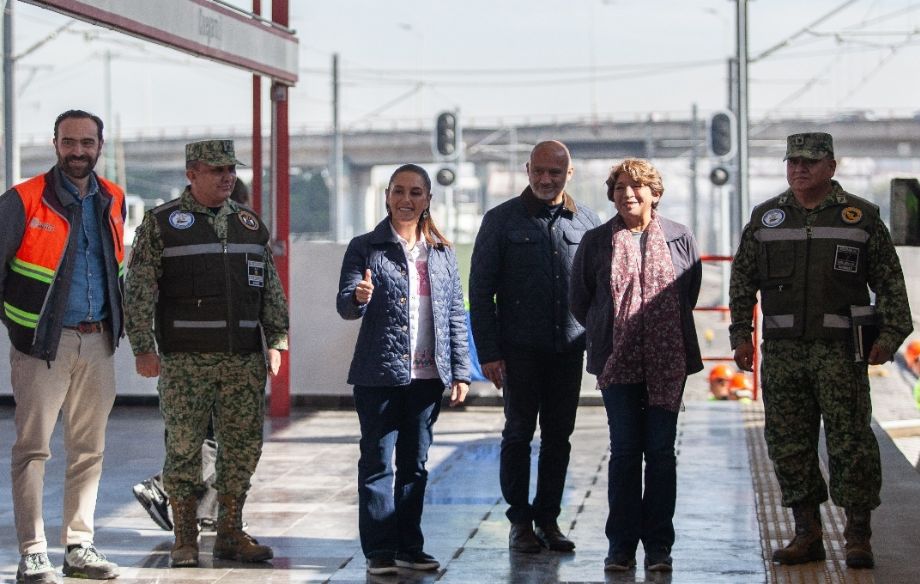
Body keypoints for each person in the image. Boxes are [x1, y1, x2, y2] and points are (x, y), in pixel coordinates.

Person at [729, 132, 913, 569]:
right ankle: (806, 532)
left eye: (809, 162)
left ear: (831, 166)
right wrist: (740, 335)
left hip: (841, 355)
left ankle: (857, 536)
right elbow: (742, 283)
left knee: (851, 443)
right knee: (789, 444)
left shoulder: (861, 218)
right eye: (792, 161)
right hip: (784, 356)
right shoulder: (766, 218)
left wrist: (888, 339)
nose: (799, 169)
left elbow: (890, 287)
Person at [125, 139, 290, 568]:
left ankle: (231, 533)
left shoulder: (251, 225)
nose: (227, 177)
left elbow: (269, 288)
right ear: (191, 174)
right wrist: (143, 348)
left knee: (242, 448)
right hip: (185, 361)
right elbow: (139, 290)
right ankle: (184, 539)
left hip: (242, 361)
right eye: (216, 170)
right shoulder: (161, 223)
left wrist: (276, 339)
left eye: (230, 169)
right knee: (184, 449)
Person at [0, 110, 123, 584]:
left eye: (87, 143)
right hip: (42, 347)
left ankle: (79, 546)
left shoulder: (112, 197)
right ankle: (33, 552)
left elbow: (114, 265)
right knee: (33, 451)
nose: (78, 151)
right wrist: (19, 328)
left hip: (98, 342)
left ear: (100, 145)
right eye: (69, 142)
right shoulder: (22, 200)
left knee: (89, 449)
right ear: (55, 143)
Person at [336, 164, 471, 575]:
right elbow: (344, 305)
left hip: (428, 378)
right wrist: (359, 296)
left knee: (415, 464)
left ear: (428, 199)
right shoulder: (366, 247)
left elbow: (453, 314)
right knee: (378, 461)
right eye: (398, 191)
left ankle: (409, 547)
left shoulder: (442, 253)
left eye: (415, 192)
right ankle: (379, 551)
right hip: (379, 375)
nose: (406, 200)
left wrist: (461, 371)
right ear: (387, 197)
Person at [570, 158, 702, 572]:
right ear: (612, 195)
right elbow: (582, 300)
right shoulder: (596, 241)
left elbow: (688, 293)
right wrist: (610, 331)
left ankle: (659, 548)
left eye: (637, 186)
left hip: (668, 361)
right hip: (616, 360)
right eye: (620, 187)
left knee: (661, 453)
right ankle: (621, 547)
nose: (628, 194)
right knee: (626, 452)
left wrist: (658, 332)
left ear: (655, 194)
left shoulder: (680, 238)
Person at [469, 140, 601, 554]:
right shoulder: (501, 221)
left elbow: (599, 293)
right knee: (518, 434)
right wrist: (489, 353)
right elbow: (480, 291)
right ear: (528, 169)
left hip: (568, 351)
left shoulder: (587, 222)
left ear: (569, 174)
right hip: (518, 352)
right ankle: (520, 521)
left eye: (555, 173)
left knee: (559, 437)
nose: (546, 179)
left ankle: (548, 518)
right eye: (539, 171)